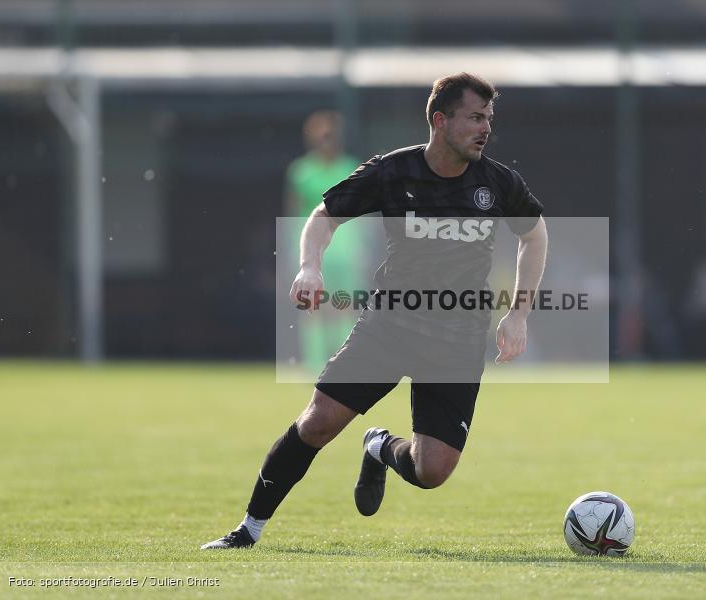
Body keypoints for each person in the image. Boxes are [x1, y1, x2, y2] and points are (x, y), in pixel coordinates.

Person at [202, 73, 548, 549]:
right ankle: (248, 529)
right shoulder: (393, 171)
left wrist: (519, 314)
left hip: (458, 340)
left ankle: (379, 446)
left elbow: (535, 236)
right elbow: (323, 217)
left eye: (488, 118)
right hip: (390, 327)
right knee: (318, 422)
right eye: (474, 117)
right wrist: (309, 267)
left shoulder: (498, 182)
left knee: (432, 472)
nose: (485, 128)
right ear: (440, 120)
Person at [284, 111, 364, 373]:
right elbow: (294, 213)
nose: (327, 140)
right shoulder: (301, 171)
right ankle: (315, 365)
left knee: (344, 306)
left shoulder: (351, 167)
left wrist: (363, 248)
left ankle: (343, 365)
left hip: (346, 252)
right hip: (314, 253)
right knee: (313, 308)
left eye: (331, 135)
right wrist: (295, 254)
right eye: (322, 135)